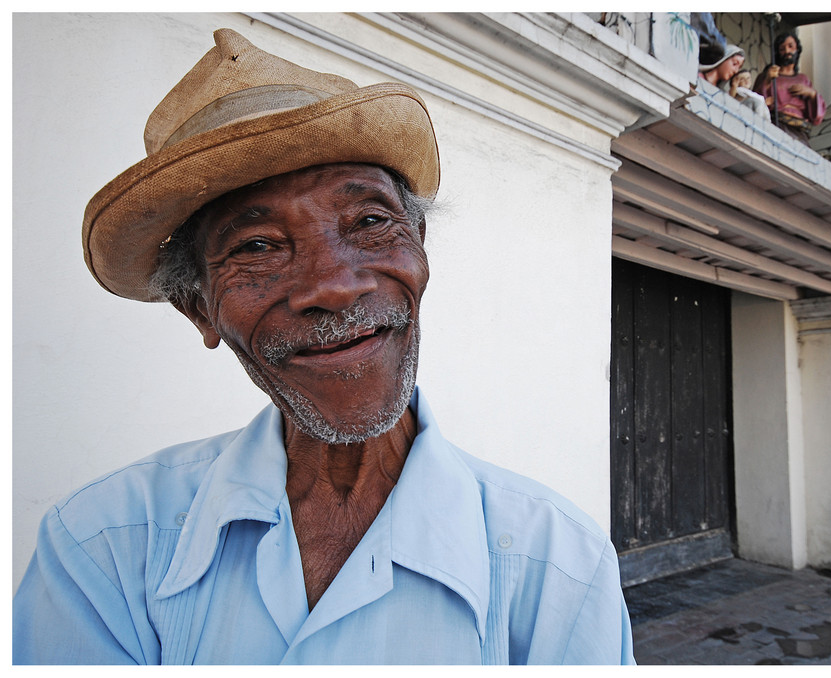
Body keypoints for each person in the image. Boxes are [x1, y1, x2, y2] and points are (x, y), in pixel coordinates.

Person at [13, 28, 635, 665]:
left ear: (418, 246)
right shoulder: (103, 546)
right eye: (256, 247)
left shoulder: (559, 565)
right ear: (199, 306)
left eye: (369, 222)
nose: (333, 288)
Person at [753, 32, 826, 143]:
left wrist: (812, 94)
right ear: (777, 52)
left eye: (790, 46)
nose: (787, 51)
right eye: (782, 49)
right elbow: (755, 103)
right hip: (777, 124)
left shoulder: (803, 79)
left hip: (799, 129)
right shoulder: (767, 76)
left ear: (797, 49)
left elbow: (817, 117)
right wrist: (767, 81)